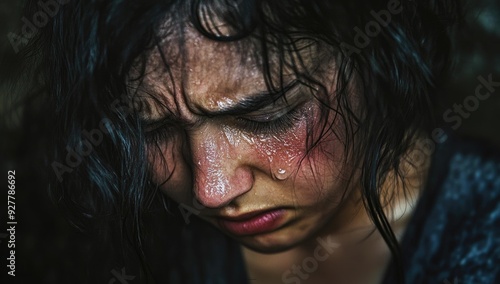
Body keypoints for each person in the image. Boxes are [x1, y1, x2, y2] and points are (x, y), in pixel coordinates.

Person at [10, 0, 499, 283]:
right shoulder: (83, 219)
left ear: (380, 62)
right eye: (151, 129)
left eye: (268, 116)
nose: (212, 190)